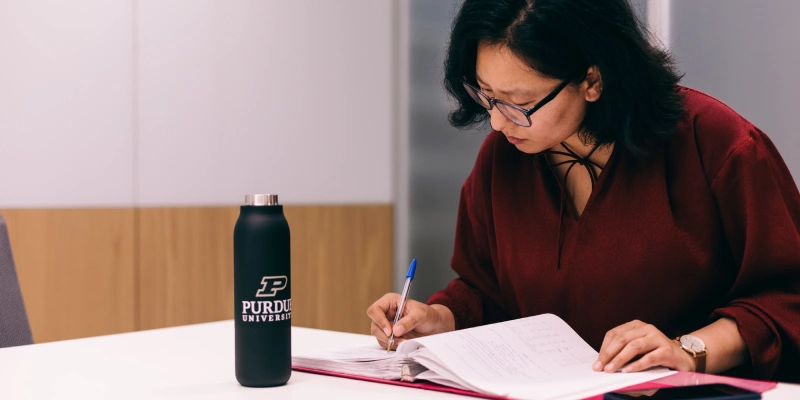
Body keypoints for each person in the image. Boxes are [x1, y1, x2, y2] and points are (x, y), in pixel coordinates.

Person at [367, 0, 800, 382]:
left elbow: (787, 295)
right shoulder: (504, 159)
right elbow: (486, 290)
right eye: (486, 96)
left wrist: (688, 350)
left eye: (518, 103)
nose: (498, 123)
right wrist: (438, 318)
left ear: (593, 80)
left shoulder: (715, 144)